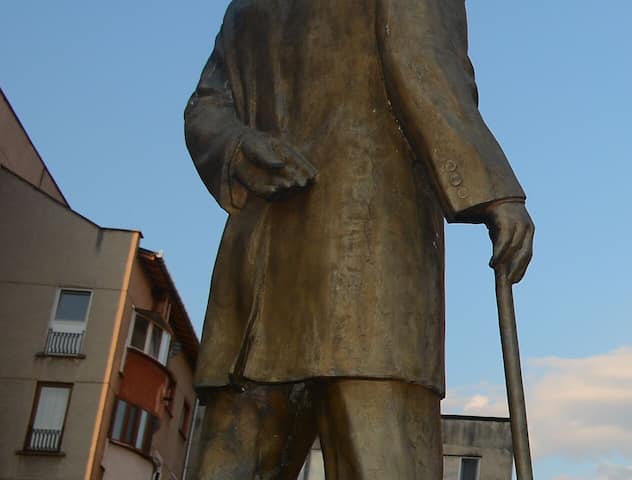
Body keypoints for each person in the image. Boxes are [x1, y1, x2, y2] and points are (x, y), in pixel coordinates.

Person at [181, 1, 534, 478]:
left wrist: (240, 147)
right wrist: (495, 192)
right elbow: (424, 62)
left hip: (259, 290)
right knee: (382, 457)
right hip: (367, 264)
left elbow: (208, 105)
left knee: (234, 459)